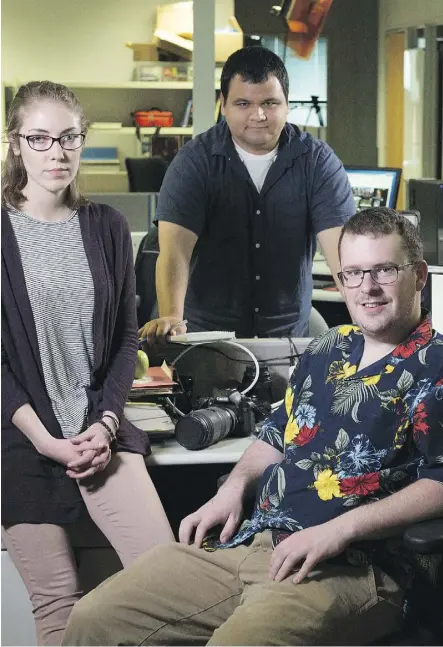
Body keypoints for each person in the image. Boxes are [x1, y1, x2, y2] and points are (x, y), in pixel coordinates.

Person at [64, 207, 443, 646]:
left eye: (384, 270)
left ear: (418, 275)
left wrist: (343, 528)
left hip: (352, 567)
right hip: (255, 544)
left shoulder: (434, 366)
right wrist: (232, 489)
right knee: (96, 619)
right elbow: (276, 435)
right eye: (354, 273)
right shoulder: (330, 347)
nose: (368, 288)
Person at [1, 81, 174, 646]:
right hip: (22, 442)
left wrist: (103, 423)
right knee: (59, 612)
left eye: (70, 137)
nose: (57, 152)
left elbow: (126, 338)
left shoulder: (106, 227)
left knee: (168, 585)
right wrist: (46, 440)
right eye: (41, 137)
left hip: (99, 429)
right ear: (15, 142)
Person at [139, 46, 355, 343]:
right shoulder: (195, 161)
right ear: (223, 105)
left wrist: (369, 325)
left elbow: (344, 254)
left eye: (270, 102)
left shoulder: (316, 162)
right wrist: (173, 320)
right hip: (207, 341)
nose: (259, 115)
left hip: (288, 341)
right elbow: (175, 251)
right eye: (243, 103)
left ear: (287, 105)